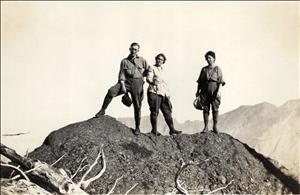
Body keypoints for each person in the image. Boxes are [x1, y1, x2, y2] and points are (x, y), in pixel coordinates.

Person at [95, 42, 149, 135]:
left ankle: (137, 127)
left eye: (135, 49)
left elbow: (148, 71)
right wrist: (123, 85)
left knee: (137, 105)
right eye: (132, 49)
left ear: (138, 50)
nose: (133, 51)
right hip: (126, 81)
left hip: (137, 83)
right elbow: (122, 74)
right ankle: (102, 110)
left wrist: (145, 80)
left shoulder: (142, 60)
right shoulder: (124, 61)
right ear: (129, 49)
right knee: (111, 91)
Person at [146, 53, 182, 136]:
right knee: (154, 111)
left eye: (161, 59)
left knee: (167, 111)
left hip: (163, 93)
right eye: (158, 59)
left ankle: (172, 129)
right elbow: (148, 78)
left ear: (163, 61)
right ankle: (154, 130)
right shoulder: (152, 68)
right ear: (156, 59)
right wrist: (152, 81)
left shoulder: (163, 70)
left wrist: (168, 93)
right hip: (154, 92)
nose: (159, 60)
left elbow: (165, 83)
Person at [196, 51, 225, 133]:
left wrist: (218, 91)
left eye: (210, 58)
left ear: (214, 59)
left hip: (214, 90)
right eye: (207, 58)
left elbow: (220, 81)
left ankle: (215, 127)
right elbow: (200, 81)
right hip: (204, 91)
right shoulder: (204, 69)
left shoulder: (217, 69)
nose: (208, 60)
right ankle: (206, 127)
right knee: (205, 109)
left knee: (215, 109)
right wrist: (197, 91)